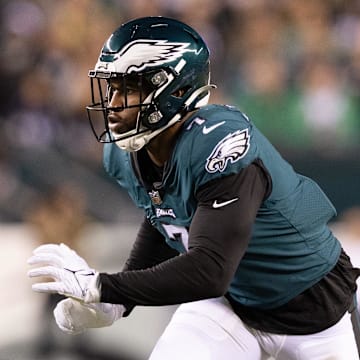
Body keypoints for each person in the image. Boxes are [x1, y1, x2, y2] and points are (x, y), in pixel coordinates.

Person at [28, 16, 360, 359]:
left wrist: (102, 286)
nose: (113, 102)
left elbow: (209, 269)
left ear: (177, 89)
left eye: (129, 87)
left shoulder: (219, 142)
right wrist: (118, 301)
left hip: (316, 313)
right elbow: (164, 219)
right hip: (232, 306)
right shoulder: (127, 153)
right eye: (113, 87)